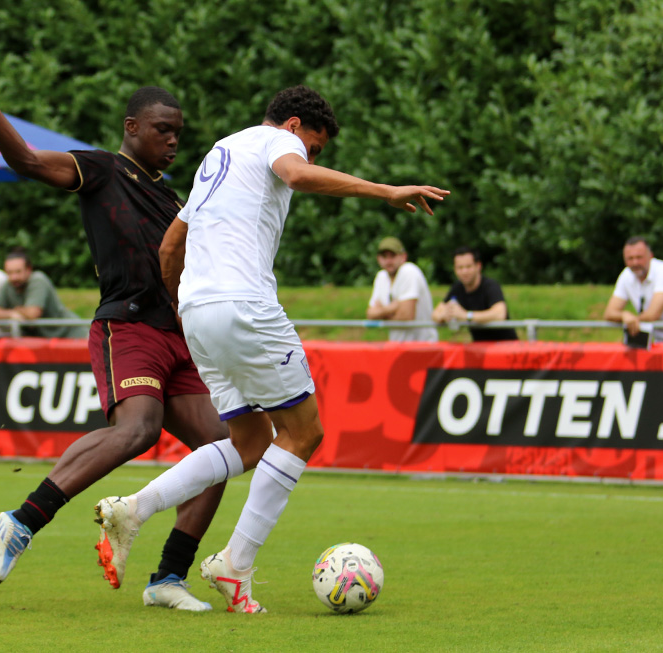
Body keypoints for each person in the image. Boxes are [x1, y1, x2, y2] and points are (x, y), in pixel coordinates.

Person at [95, 85, 448, 613]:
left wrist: (186, 307)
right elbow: (297, 175)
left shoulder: (218, 152)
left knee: (251, 440)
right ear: (294, 125)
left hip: (198, 311)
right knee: (304, 432)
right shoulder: (272, 143)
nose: (311, 156)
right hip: (244, 305)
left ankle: (135, 508)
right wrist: (387, 191)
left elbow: (171, 245)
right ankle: (235, 565)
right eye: (314, 144)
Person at [0, 47, 229, 611]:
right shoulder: (103, 169)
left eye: (179, 131)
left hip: (177, 336)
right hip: (126, 329)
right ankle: (22, 520)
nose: (174, 139)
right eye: (163, 129)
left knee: (221, 450)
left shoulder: (175, 198)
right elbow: (29, 162)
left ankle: (166, 580)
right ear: (132, 128)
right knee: (139, 430)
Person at [0, 248, 89, 339]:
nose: (14, 277)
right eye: (9, 272)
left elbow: (32, 313)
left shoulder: (38, 279)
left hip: (73, 336)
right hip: (47, 342)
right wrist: (12, 314)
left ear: (28, 270)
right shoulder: (8, 285)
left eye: (18, 272)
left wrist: (14, 311)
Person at [432, 246, 518, 341]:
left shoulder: (490, 286)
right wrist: (445, 315)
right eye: (460, 267)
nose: (464, 271)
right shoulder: (457, 288)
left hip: (505, 347)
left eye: (468, 267)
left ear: (478, 266)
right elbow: (436, 314)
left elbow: (500, 314)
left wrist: (466, 316)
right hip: (479, 349)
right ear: (454, 269)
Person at [365, 236, 437, 341]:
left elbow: (407, 316)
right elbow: (370, 314)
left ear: (403, 257)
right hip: (398, 346)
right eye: (384, 256)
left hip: (422, 346)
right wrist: (392, 308)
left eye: (392, 256)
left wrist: (382, 313)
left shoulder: (409, 271)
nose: (388, 261)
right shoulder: (381, 276)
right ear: (378, 258)